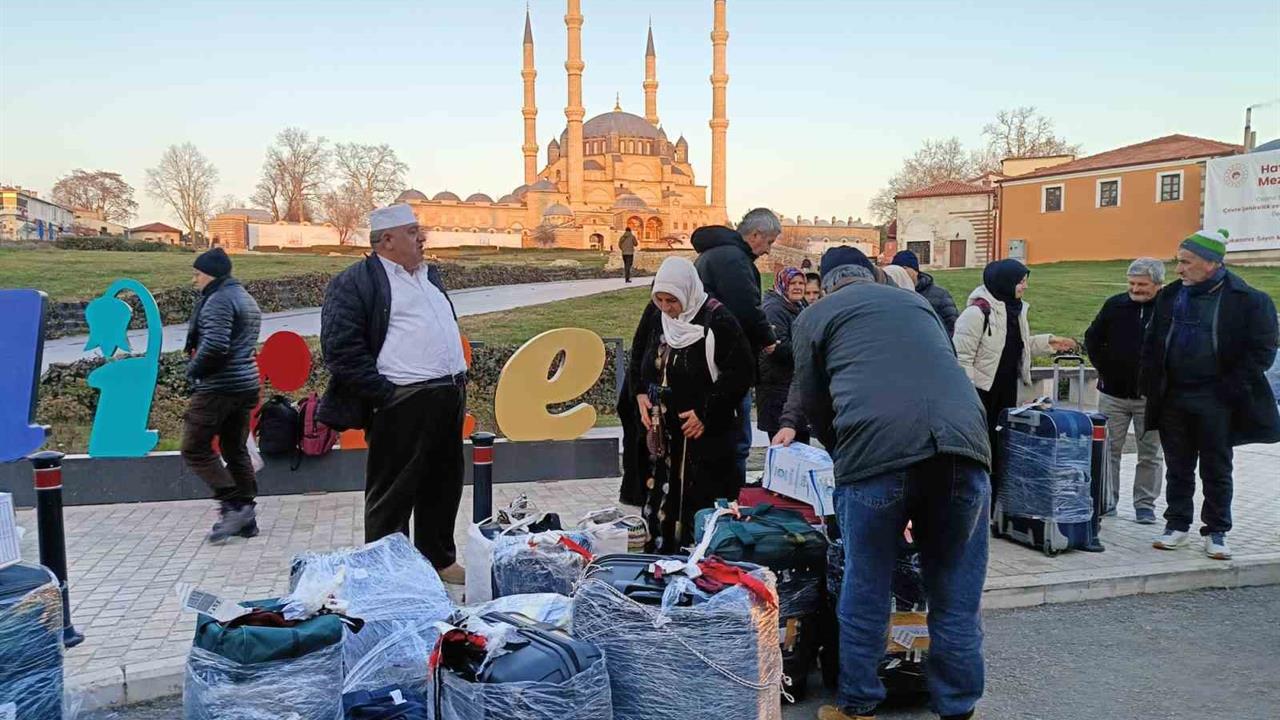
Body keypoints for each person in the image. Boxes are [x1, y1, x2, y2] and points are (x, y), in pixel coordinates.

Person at [780, 247, 990, 720]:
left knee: (867, 584)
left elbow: (815, 403)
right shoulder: (916, 302)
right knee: (955, 588)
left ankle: (858, 705)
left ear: (827, 284)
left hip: (876, 455)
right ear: (873, 275)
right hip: (963, 448)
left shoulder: (814, 316)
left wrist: (845, 456)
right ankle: (958, 707)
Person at [318, 204, 469, 584]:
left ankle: (439, 560)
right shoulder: (355, 282)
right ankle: (390, 574)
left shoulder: (428, 276)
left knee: (443, 484)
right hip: (401, 401)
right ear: (387, 240)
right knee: (393, 494)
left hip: (447, 396)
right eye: (413, 231)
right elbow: (341, 349)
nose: (422, 238)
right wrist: (384, 394)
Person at [1141, 230, 1279, 560]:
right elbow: (1153, 341)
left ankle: (1216, 531)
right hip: (1174, 395)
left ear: (1211, 263)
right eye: (1178, 261)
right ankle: (1176, 525)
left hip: (1217, 398)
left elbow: (1262, 351)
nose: (1179, 269)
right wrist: (1151, 383)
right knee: (1178, 466)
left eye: (1186, 262)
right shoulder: (1171, 295)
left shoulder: (1248, 300)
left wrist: (1229, 390)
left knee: (1216, 467)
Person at [632, 257, 752, 551]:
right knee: (658, 493)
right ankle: (659, 555)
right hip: (661, 426)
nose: (666, 307)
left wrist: (706, 413)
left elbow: (741, 373)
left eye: (672, 300)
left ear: (687, 293)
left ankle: (695, 557)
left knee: (695, 498)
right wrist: (640, 393)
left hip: (700, 431)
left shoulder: (717, 319)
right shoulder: (656, 314)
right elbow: (639, 353)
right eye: (659, 299)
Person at [953, 259, 1077, 497]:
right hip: (981, 394)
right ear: (1005, 282)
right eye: (1021, 282)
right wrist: (968, 394)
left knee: (1002, 447)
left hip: (1006, 388)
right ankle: (979, 500)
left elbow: (1015, 343)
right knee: (983, 448)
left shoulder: (1014, 310)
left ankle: (998, 501)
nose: (1025, 286)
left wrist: (1050, 342)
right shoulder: (976, 313)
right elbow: (961, 357)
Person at [181, 248, 263, 544]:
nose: (195, 280)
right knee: (234, 448)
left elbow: (215, 345)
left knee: (194, 448)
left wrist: (193, 371)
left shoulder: (218, 300)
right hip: (245, 385)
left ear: (211, 274)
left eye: (198, 274)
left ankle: (234, 506)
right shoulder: (244, 297)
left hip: (220, 386)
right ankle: (247, 518)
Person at [692, 208, 781, 479]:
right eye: (769, 242)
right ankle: (733, 493)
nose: (768, 251)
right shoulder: (733, 260)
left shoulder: (715, 255)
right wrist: (768, 339)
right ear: (755, 235)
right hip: (728, 361)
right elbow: (746, 309)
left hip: (708, 357)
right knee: (736, 439)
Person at [1083, 258, 1166, 524]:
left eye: (1142, 284)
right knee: (1108, 451)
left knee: (1150, 454)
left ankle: (1145, 505)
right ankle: (1108, 501)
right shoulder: (1115, 305)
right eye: (1132, 283)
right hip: (1113, 395)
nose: (1135, 289)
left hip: (1151, 398)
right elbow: (1092, 338)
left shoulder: (1170, 308)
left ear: (1158, 284)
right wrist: (1105, 368)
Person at [757, 267, 810, 445]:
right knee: (785, 445)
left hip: (791, 385)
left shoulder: (799, 305)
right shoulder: (774, 309)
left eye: (801, 283)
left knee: (800, 442)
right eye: (793, 283)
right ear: (783, 284)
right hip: (777, 388)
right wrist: (809, 350)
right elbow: (777, 348)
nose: (798, 287)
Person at [892, 250, 959, 335]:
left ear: (915, 271)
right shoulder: (893, 296)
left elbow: (953, 325)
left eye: (904, 268)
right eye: (897, 269)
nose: (901, 273)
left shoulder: (940, 295)